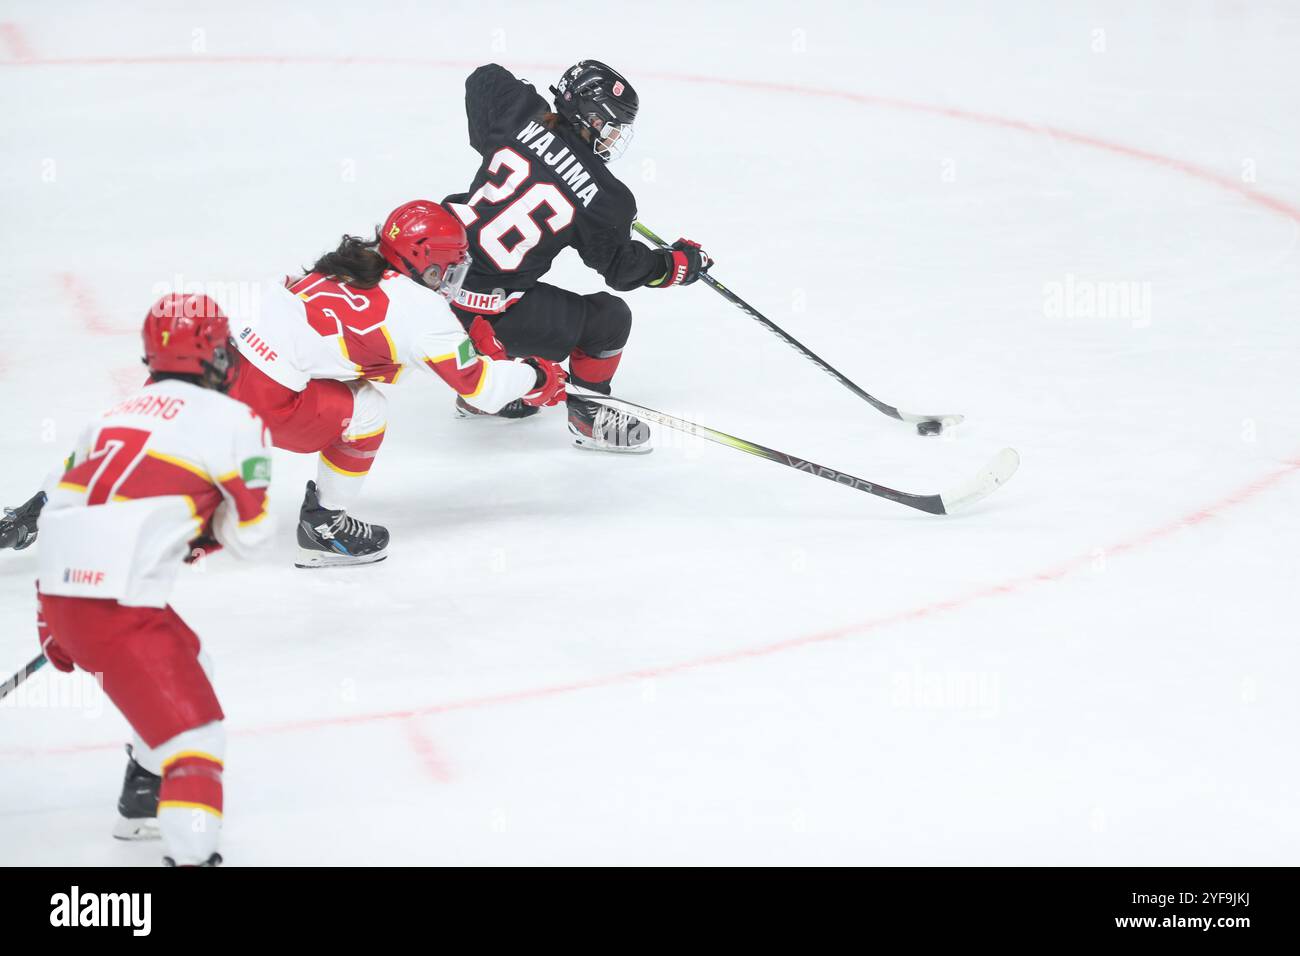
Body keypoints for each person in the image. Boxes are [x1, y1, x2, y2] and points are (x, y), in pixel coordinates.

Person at [34, 292, 274, 866]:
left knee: (193, 665)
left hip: (64, 598)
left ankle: (142, 801)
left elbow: (56, 514)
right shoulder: (235, 419)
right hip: (118, 609)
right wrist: (207, 527)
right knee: (198, 738)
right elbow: (252, 536)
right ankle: (192, 858)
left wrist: (50, 618)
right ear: (214, 352)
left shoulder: (110, 416)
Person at [224, 199, 567, 567]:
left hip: (216, 362)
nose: (451, 277)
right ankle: (323, 525)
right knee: (367, 411)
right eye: (448, 268)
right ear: (427, 262)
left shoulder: (353, 261)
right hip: (264, 395)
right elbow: (483, 392)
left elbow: (345, 343)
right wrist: (536, 374)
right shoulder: (423, 311)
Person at [443, 60, 714, 452]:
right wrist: (674, 265)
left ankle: (483, 390)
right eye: (614, 125)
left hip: (429, 291)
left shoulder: (516, 111)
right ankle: (590, 418)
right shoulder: (606, 198)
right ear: (593, 118)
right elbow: (622, 270)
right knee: (608, 319)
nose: (615, 136)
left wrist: (512, 130)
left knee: (516, 279)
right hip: (488, 315)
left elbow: (483, 77)